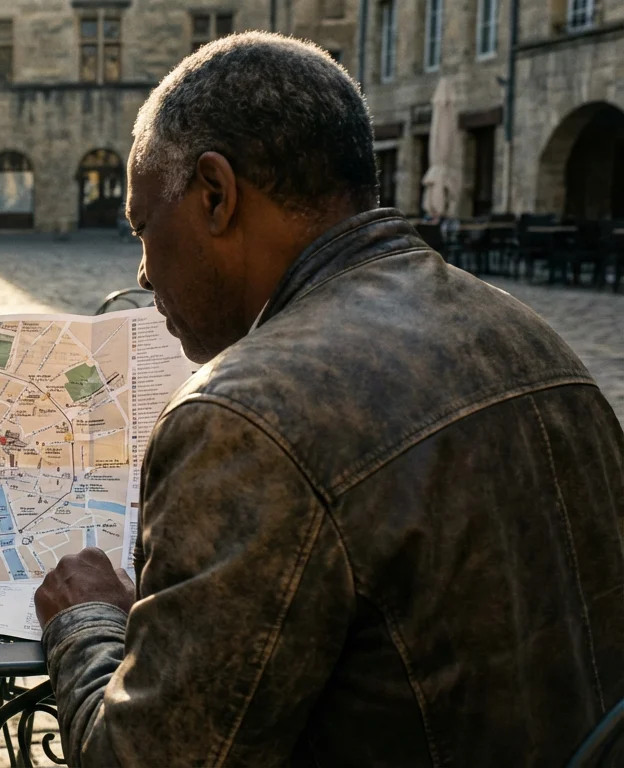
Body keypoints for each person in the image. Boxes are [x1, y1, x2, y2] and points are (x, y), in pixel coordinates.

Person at [34, 32, 624, 766]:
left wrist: (85, 621)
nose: (145, 273)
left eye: (144, 227)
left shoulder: (244, 416)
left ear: (215, 194)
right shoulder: (529, 333)